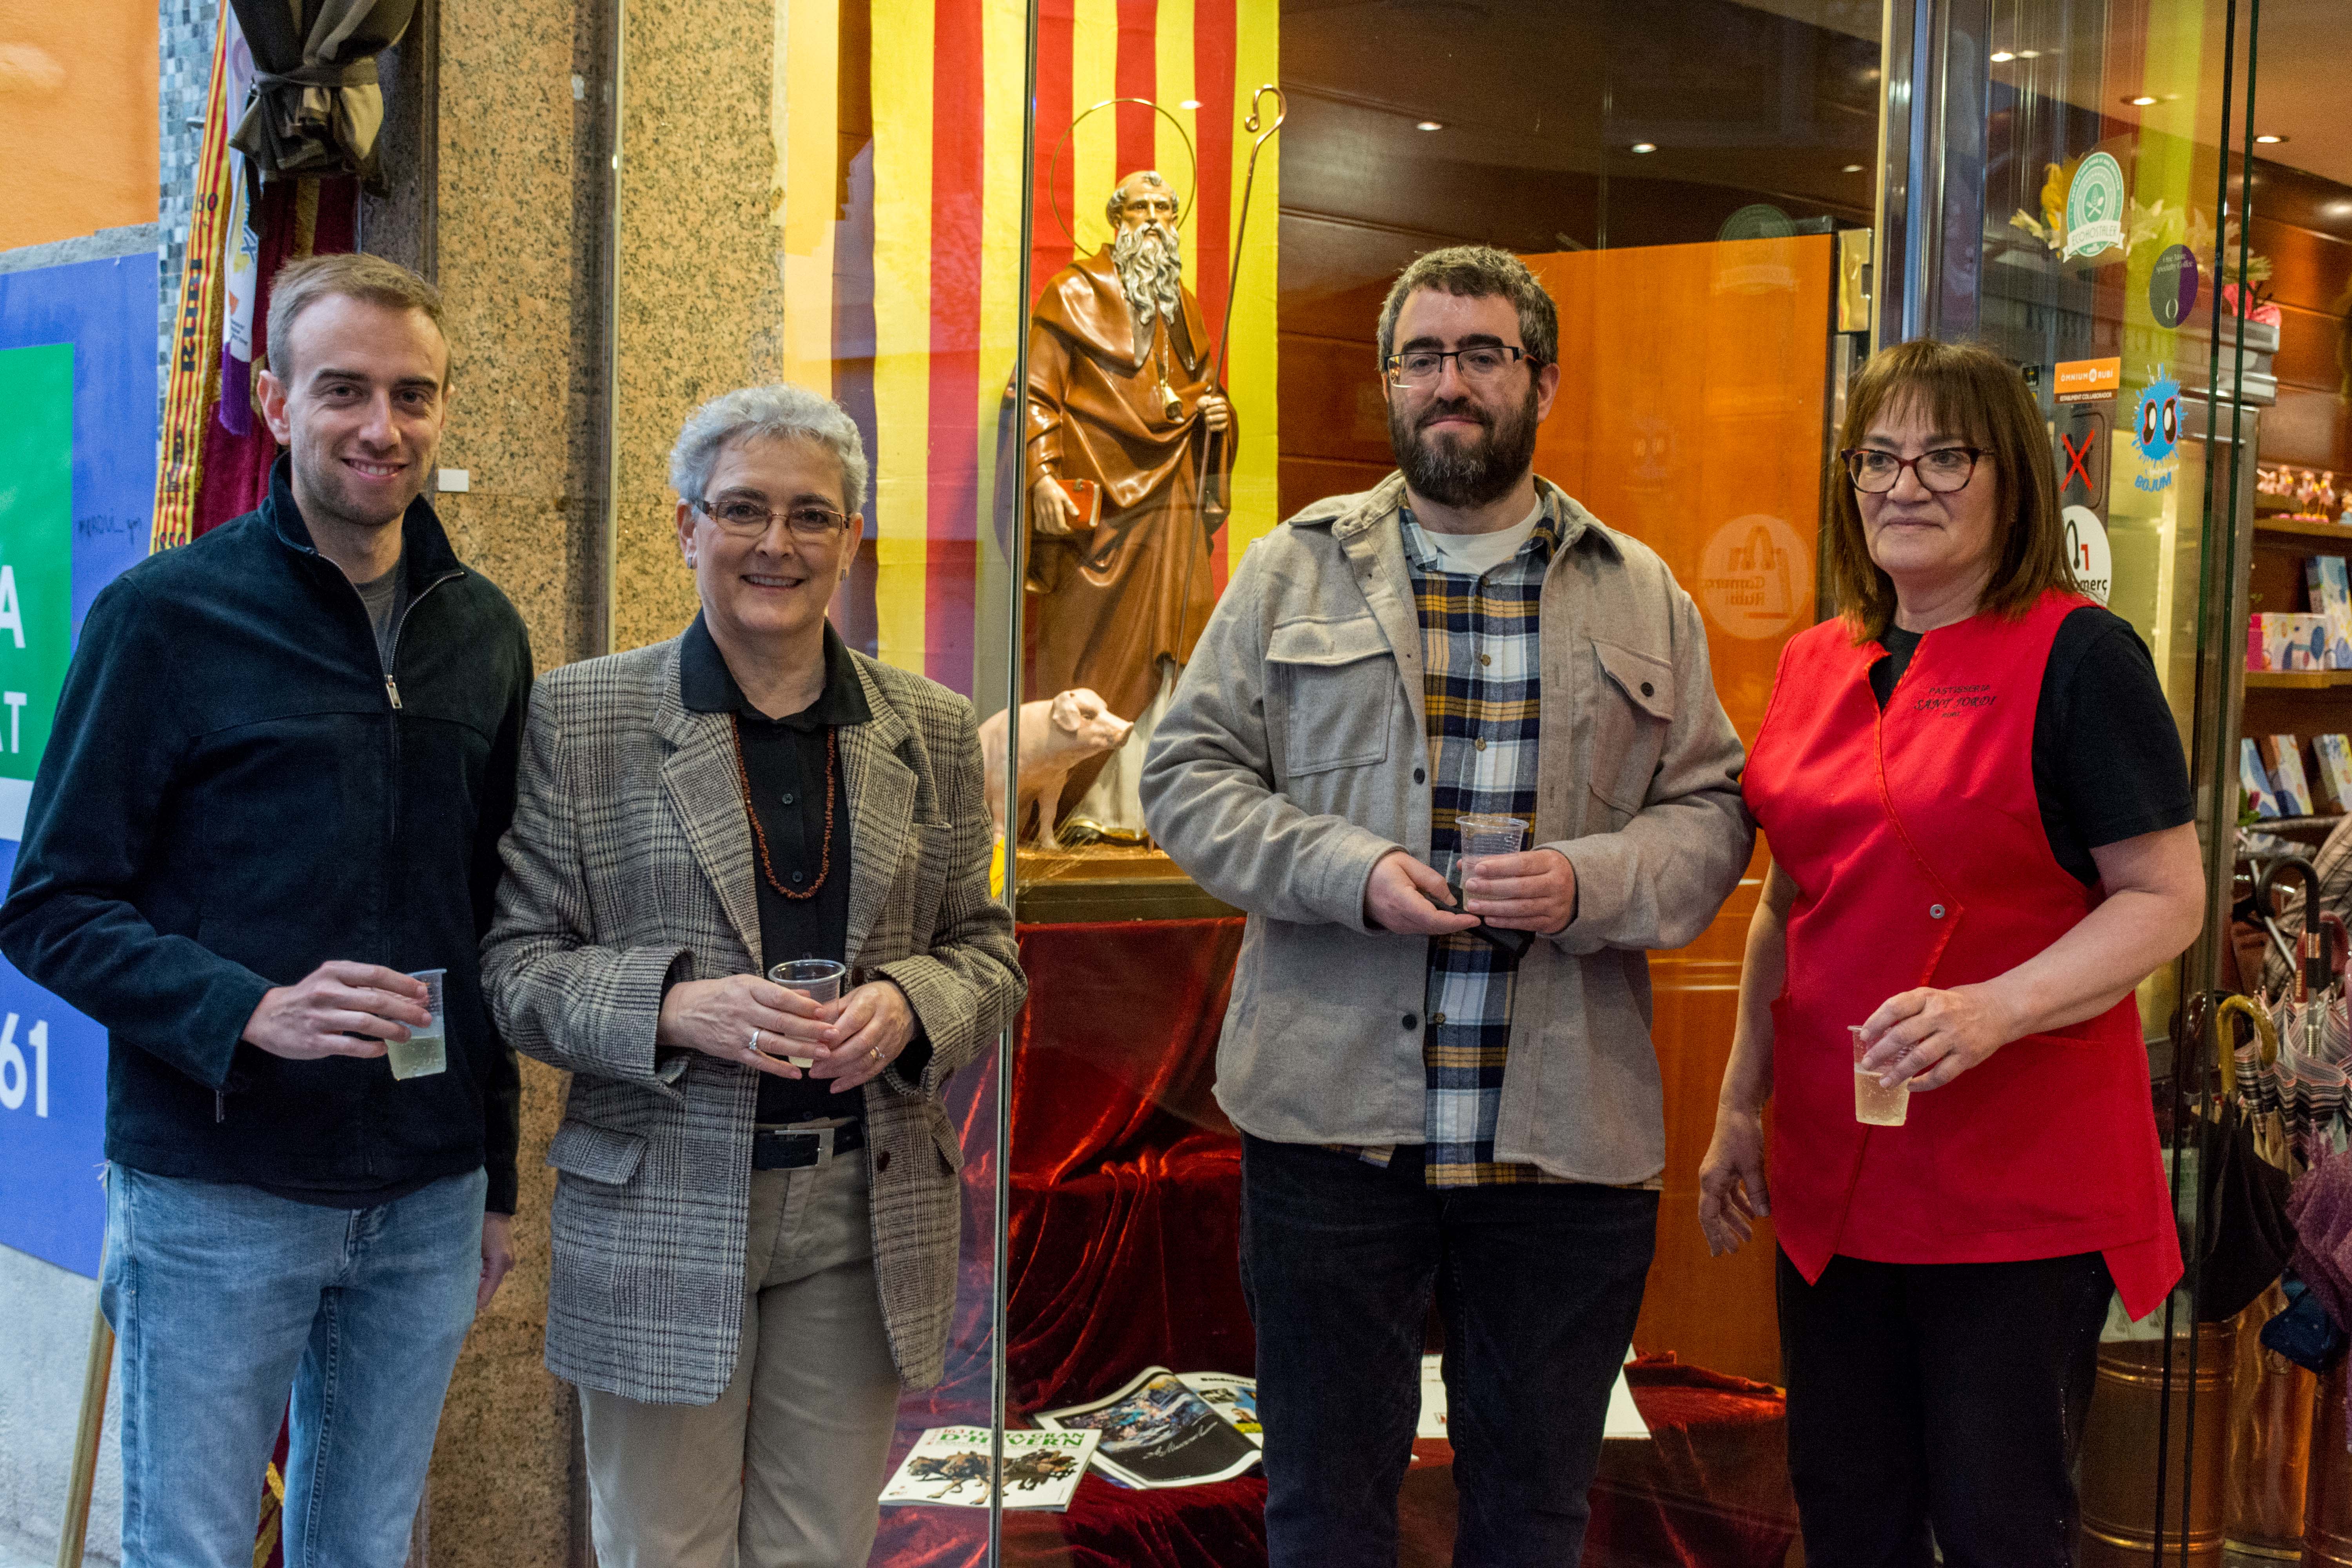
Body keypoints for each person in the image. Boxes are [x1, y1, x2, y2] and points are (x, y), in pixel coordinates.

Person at [1141, 245, 1753, 1566]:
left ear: (1540, 380)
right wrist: (1345, 873)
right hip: (1329, 1135)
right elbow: (1180, 777)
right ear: (1390, 385)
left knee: (1532, 1517)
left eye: (1483, 354)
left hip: (1564, 1146)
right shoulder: (1290, 573)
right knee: (1323, 1507)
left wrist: (1587, 884)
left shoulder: (1642, 589)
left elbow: (1712, 817)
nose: (1450, 383)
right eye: (1423, 357)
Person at [0, 253, 531, 1567]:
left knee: (362, 1547)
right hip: (217, 1191)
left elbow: (496, 924)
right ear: (273, 401)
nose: (382, 427)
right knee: (188, 1546)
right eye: (344, 389)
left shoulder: (485, 632)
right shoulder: (165, 619)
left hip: (425, 1194)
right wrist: (251, 1012)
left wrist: (496, 1177)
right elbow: (53, 905)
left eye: (415, 395)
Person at [481, 384, 1024, 1568]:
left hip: (860, 1207)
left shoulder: (929, 728)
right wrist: (672, 1008)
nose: (777, 543)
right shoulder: (584, 717)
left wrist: (912, 1004)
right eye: (743, 510)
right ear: (686, 528)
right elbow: (515, 966)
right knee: (662, 1550)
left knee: (817, 1552)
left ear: (851, 541)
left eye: (811, 516)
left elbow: (989, 952)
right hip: (661, 1200)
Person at [1697, 338, 2204, 1568]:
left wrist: (1995, 1010)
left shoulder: (2084, 658)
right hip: (1837, 1175)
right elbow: (1789, 901)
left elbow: (2168, 897)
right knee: (1848, 1515)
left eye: (1943, 456)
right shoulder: (1819, 660)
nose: (1903, 483)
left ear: (2013, 479)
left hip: (2013, 1194)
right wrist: (1737, 1108)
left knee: (1999, 1527)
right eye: (1878, 456)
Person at [1018, 167, 1236, 835]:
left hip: (1170, 506)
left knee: (1173, 650)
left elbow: (1195, 392)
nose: (1152, 220)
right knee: (1089, 653)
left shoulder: (1185, 306)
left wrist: (1219, 416)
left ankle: (1147, 812)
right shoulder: (1073, 292)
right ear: (1116, 221)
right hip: (1103, 513)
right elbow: (1033, 392)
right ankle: (1080, 804)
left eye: (1165, 210)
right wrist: (1042, 476)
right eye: (1138, 209)